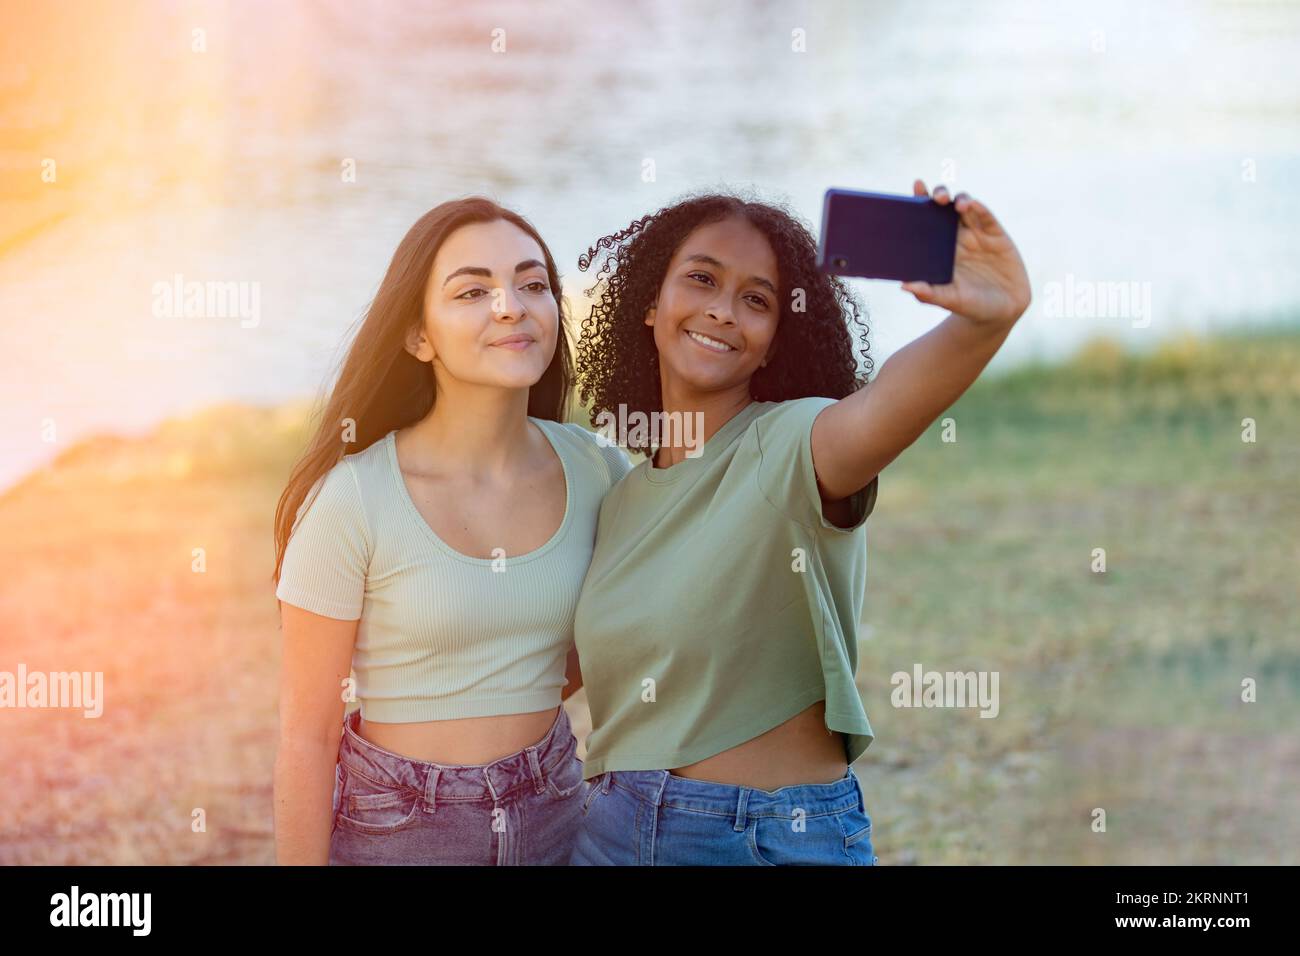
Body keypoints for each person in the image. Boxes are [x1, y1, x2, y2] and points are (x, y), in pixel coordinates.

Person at [568, 180, 1031, 865]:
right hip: (609, 830)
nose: (723, 311)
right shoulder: (620, 498)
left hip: (758, 839)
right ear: (650, 303)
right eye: (701, 279)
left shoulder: (794, 442)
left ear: (772, 341)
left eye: (756, 300)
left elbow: (883, 410)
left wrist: (985, 321)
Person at [271, 197, 631, 865]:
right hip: (402, 828)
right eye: (473, 290)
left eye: (532, 284)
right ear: (419, 336)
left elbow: (611, 635)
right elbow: (306, 734)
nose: (510, 306)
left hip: (554, 804)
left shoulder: (601, 470)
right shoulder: (354, 497)